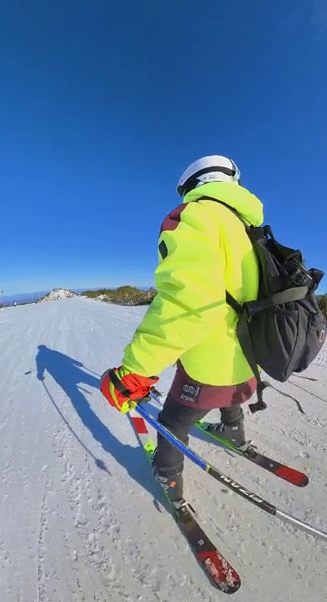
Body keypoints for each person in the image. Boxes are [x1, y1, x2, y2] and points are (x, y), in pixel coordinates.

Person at [99, 155, 263, 509]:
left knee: (173, 418)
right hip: (253, 361)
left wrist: (135, 371)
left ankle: (168, 472)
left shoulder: (194, 217)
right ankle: (234, 429)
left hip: (210, 367)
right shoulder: (250, 228)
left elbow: (187, 305)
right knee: (225, 381)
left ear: (190, 185)